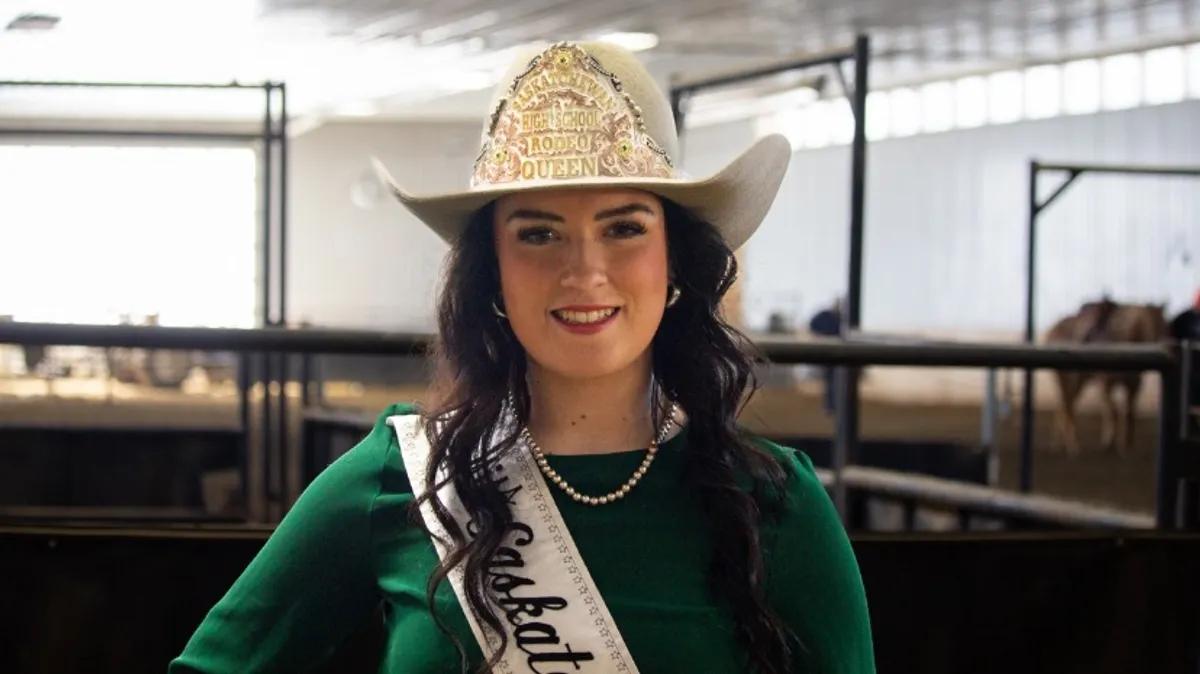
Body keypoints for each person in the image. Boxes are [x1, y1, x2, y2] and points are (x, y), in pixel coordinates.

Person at [169, 40, 874, 674]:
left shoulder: (773, 504)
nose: (585, 271)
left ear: (676, 262)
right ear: (492, 274)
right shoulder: (403, 479)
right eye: (539, 235)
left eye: (624, 227)